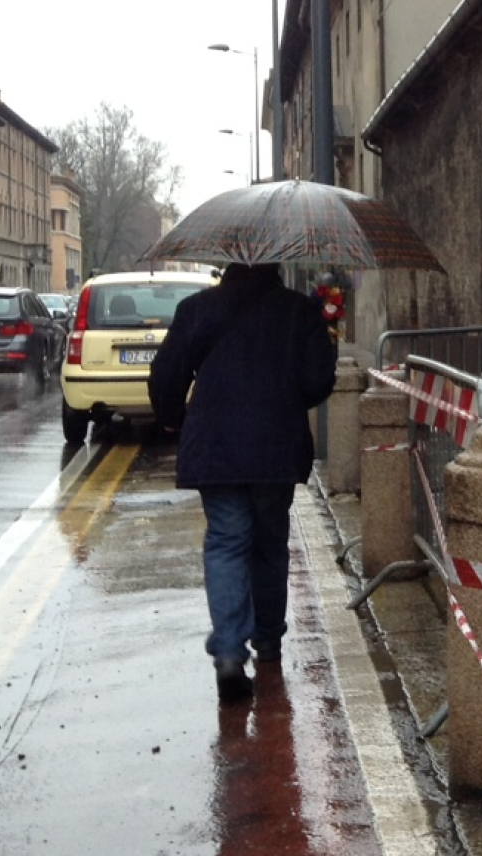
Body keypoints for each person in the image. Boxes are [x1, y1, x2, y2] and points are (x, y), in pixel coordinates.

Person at [149, 263, 337, 703]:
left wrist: (173, 418)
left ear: (228, 263)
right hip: (276, 445)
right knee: (269, 543)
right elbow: (317, 381)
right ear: (276, 264)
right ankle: (268, 640)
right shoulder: (299, 311)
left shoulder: (197, 308)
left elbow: (166, 375)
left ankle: (230, 653)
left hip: (216, 446)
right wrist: (285, 395)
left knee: (226, 540)